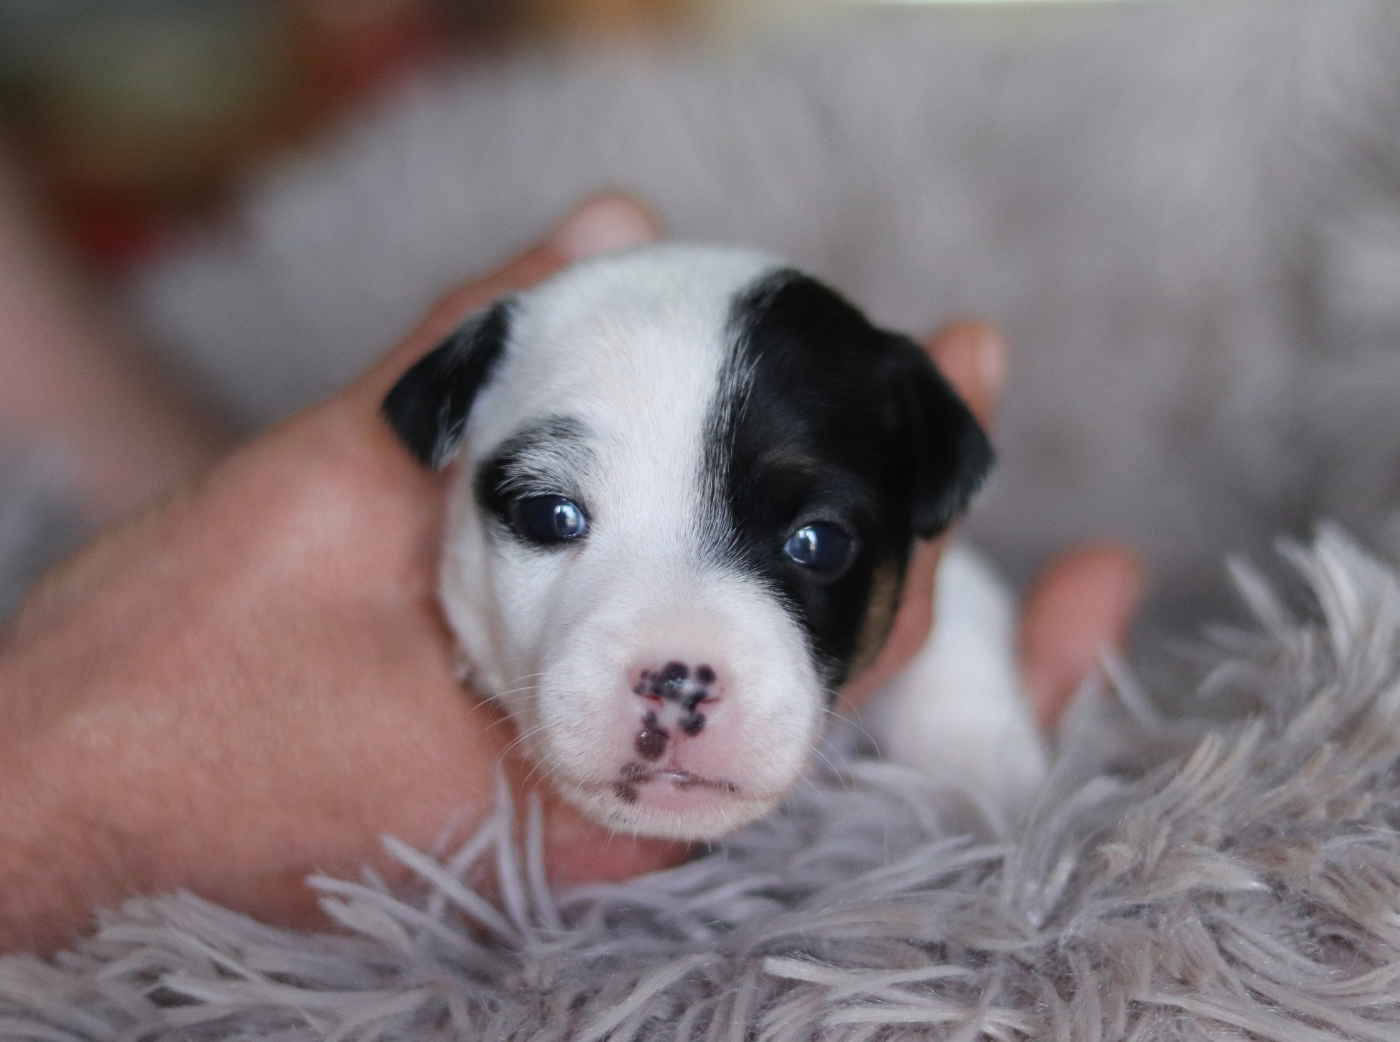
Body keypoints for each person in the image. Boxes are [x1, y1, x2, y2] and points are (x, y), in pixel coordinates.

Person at [0, 193, 1143, 954]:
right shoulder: (431, 432)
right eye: (555, 516)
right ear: (451, 446)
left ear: (919, 513)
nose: (679, 668)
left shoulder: (918, 553)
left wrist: (973, 778)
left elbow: (951, 627)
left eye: (813, 545)